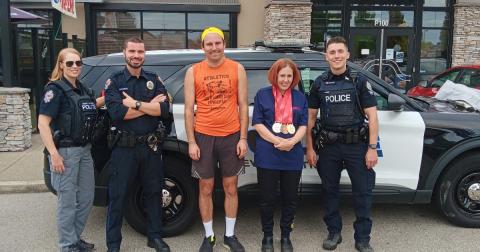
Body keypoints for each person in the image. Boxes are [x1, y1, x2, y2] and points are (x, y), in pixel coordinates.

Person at [305, 36, 379, 252]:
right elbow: (310, 119)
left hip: (357, 146)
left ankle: (363, 238)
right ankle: (334, 231)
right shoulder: (319, 83)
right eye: (332, 52)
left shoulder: (359, 81)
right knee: (329, 191)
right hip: (328, 146)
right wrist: (310, 148)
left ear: (347, 54)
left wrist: (372, 148)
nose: (336, 56)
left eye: (340, 51)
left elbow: (373, 118)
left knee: (363, 192)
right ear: (326, 56)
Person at [184, 26, 248, 252]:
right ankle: (209, 236)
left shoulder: (237, 68)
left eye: (217, 43)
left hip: (231, 135)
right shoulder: (193, 71)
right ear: (202, 47)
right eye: (209, 44)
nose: (214, 47)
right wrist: (192, 141)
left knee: (231, 187)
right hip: (203, 135)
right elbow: (189, 109)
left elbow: (242, 106)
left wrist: (242, 138)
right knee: (205, 188)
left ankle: (229, 235)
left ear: (224, 44)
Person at [104, 37, 170, 252]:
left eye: (140, 52)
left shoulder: (153, 79)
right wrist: (150, 106)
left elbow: (164, 110)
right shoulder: (114, 81)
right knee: (118, 196)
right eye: (132, 51)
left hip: (150, 147)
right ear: (124, 52)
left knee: (153, 192)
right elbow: (116, 113)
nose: (136, 56)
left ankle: (155, 236)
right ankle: (113, 244)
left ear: (144, 54)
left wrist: (135, 104)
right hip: (124, 149)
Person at [38, 48, 104, 252]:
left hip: (85, 151)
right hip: (65, 153)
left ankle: (74, 239)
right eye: (70, 63)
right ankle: (67, 246)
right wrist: (54, 154)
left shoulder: (82, 89)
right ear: (61, 65)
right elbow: (42, 123)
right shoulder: (55, 90)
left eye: (78, 63)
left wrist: (111, 95)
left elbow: (92, 106)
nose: (75, 66)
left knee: (86, 198)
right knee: (67, 202)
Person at [252, 58, 307, 252]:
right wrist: (278, 141)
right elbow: (258, 124)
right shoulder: (262, 95)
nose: (285, 79)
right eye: (282, 75)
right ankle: (267, 236)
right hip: (268, 155)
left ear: (294, 77)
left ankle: (285, 236)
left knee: (290, 199)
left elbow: (303, 125)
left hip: (292, 156)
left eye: (289, 76)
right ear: (275, 76)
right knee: (267, 199)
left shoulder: (300, 97)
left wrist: (291, 142)